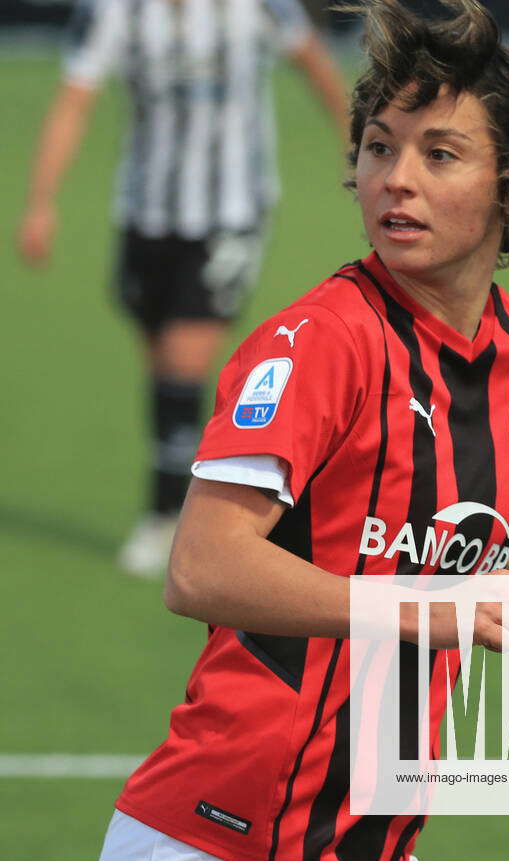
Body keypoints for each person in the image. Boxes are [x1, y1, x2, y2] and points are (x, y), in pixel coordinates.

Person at [87, 1, 509, 861]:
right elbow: (201, 566)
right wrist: (430, 606)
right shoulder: (321, 342)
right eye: (380, 147)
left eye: (440, 153)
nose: (396, 178)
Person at [17, 0, 350, 577]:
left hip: (229, 212)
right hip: (145, 211)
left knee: (182, 363)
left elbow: (314, 63)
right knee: (161, 368)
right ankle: (199, 500)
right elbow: (76, 97)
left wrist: (362, 151)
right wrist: (41, 202)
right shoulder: (116, 11)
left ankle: (169, 515)